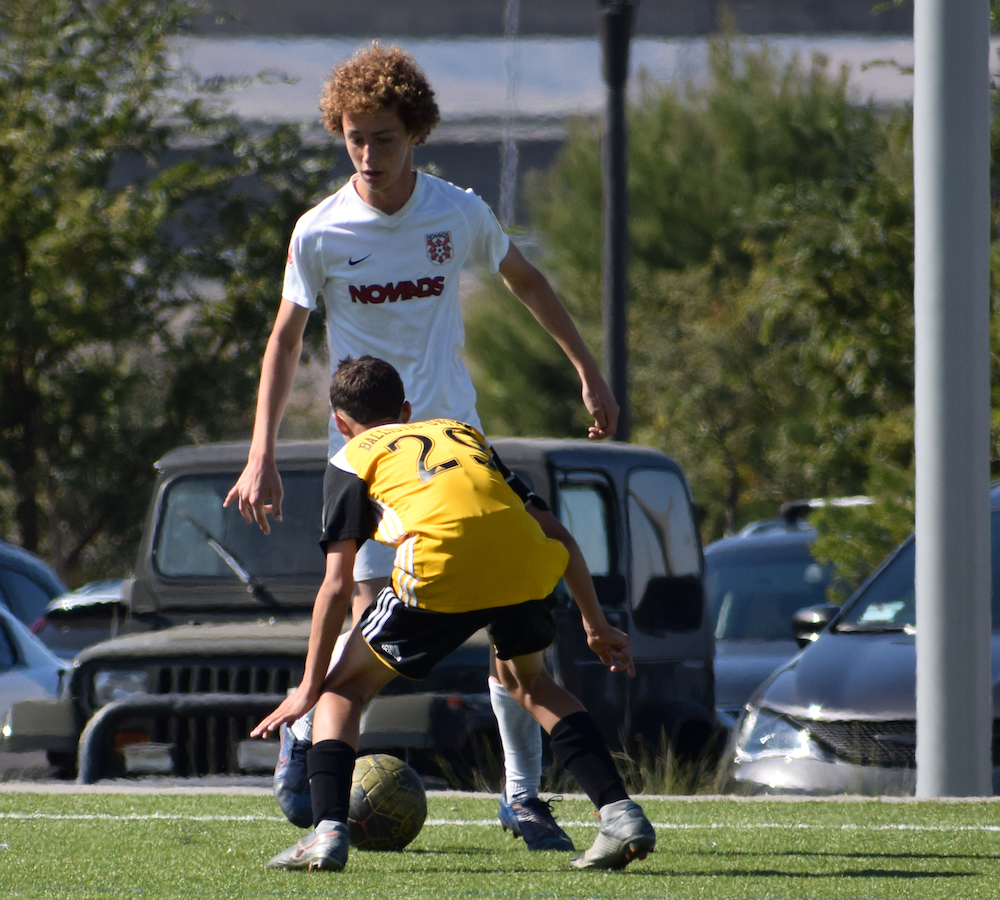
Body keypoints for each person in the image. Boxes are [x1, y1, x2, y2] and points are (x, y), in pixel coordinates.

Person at [224, 42, 620, 850]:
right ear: (341, 131)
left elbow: (529, 282)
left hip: (453, 441)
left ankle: (521, 794)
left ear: (418, 135)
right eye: (355, 137)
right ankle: (309, 745)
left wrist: (589, 371)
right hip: (369, 448)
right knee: (363, 605)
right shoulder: (321, 231)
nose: (369, 154)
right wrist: (260, 450)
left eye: (386, 138)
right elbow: (284, 340)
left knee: (511, 612)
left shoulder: (457, 212)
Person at [251, 356, 655, 873]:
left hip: (441, 564)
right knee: (530, 685)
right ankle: (619, 813)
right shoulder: (460, 432)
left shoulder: (351, 456)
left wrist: (308, 687)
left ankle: (328, 831)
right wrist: (595, 623)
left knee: (342, 691)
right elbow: (559, 535)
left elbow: (336, 584)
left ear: (339, 422)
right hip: (528, 561)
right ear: (406, 409)